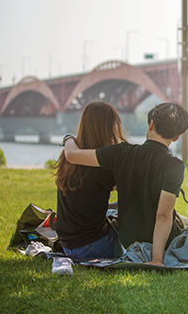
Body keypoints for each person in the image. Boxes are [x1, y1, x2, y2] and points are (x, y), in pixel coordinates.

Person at [63, 102, 188, 266]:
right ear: (176, 136)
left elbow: (72, 155)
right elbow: (163, 216)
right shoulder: (175, 166)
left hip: (126, 241)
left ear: (151, 124)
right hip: (158, 242)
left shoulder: (121, 153)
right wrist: (157, 260)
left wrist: (68, 138)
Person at [54, 101, 127, 261]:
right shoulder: (102, 165)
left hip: (67, 244)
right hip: (91, 247)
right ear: (107, 127)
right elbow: (128, 193)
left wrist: (68, 138)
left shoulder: (69, 154)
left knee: (111, 212)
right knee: (133, 232)